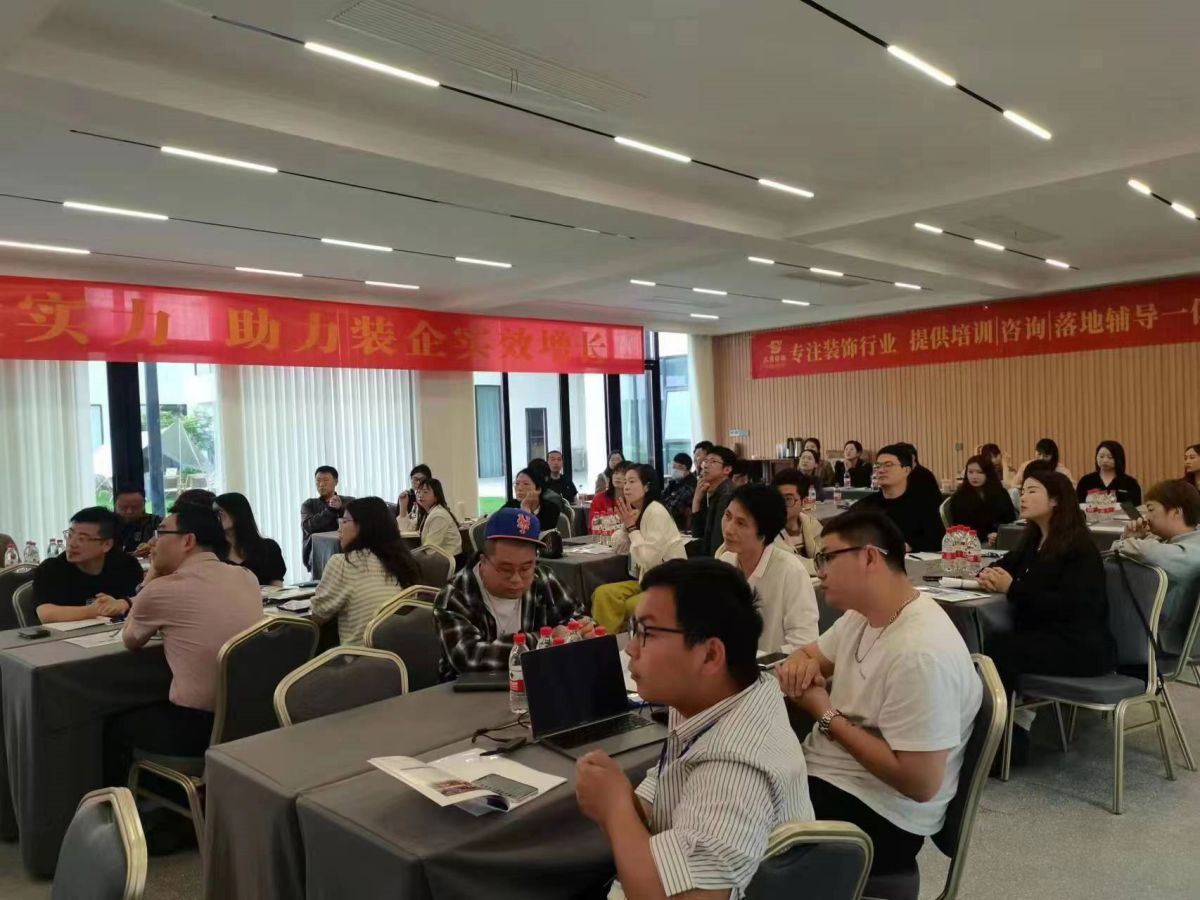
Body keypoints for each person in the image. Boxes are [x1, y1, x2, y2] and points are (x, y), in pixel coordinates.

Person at [576, 558, 813, 900]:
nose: (631, 647)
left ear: (710, 655)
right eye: (634, 629)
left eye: (647, 633)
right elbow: (663, 793)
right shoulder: (722, 697)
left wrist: (615, 809)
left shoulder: (736, 767)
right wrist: (622, 803)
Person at [775, 510, 982, 878]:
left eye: (827, 558)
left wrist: (825, 714)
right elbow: (807, 656)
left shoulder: (920, 652)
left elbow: (920, 783)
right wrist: (798, 667)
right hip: (830, 777)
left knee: (731, 825)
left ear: (869, 557)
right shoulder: (863, 615)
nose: (820, 572)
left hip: (881, 814)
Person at [107, 504, 262, 786]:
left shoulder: (163, 589)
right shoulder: (246, 576)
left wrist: (153, 572)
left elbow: (130, 639)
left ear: (188, 541)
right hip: (252, 719)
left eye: (161, 533)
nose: (153, 542)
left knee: (112, 723)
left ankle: (127, 808)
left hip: (196, 727)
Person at [977, 470, 1115, 764]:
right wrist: (988, 574)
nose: (1023, 497)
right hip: (1046, 636)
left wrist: (1013, 588)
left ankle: (1008, 741)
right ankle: (994, 733)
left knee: (999, 649)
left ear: (1055, 500)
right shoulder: (1033, 540)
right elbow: (1004, 564)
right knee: (990, 643)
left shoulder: (1079, 548)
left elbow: (1075, 607)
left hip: (1080, 645)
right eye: (1023, 491)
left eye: (1032, 491)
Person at [434, 507, 583, 679]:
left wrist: (582, 629)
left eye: (526, 568)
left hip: (537, 684)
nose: (516, 579)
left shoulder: (543, 579)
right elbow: (470, 658)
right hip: (471, 691)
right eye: (505, 569)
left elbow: (576, 616)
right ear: (483, 561)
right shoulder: (455, 596)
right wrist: (545, 639)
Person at [717, 483, 819, 654]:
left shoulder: (790, 571)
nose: (728, 529)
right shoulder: (724, 563)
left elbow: (804, 644)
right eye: (728, 516)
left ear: (763, 534)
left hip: (773, 668)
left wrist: (754, 659)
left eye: (741, 523)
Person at [591, 464, 687, 634]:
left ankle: (615, 643)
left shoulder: (656, 511)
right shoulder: (639, 511)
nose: (626, 487)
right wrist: (625, 526)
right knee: (602, 594)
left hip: (669, 585)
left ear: (647, 486)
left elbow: (648, 560)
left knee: (627, 605)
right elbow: (618, 548)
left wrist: (632, 529)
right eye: (625, 482)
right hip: (646, 581)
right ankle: (606, 642)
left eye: (632, 481)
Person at [310, 497, 420, 645]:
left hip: (360, 656)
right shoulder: (403, 562)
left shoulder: (344, 563)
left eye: (344, 521)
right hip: (400, 655)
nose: (339, 528)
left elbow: (318, 614)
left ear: (362, 527)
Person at [1113, 480, 1200, 655]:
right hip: (1146, 629)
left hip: (1164, 641)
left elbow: (1149, 553)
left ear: (1176, 512)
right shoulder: (1163, 541)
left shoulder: (1193, 549)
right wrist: (1130, 539)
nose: (1145, 517)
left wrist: (1125, 543)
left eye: (1151, 510)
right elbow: (1115, 558)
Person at [32, 507, 144, 624]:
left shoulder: (127, 566)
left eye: (82, 538)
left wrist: (124, 603)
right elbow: (46, 614)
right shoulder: (51, 568)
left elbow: (144, 600)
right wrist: (96, 610)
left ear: (106, 544)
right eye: (70, 535)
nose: (71, 544)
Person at [854, 444, 945, 552]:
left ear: (906, 470)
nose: (881, 470)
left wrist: (909, 546)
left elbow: (938, 539)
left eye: (888, 465)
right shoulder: (864, 506)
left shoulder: (924, 505)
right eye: (878, 466)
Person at [215, 492, 287, 586]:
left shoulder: (269, 548)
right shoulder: (213, 551)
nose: (216, 517)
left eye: (219, 511)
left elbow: (277, 587)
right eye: (214, 513)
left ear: (237, 512)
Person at [948, 455, 1017, 546]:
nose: (974, 476)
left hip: (1003, 538)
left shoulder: (1000, 492)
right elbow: (961, 529)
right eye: (970, 472)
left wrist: (999, 534)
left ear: (988, 473)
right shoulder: (959, 497)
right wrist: (986, 536)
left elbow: (1010, 519)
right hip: (974, 543)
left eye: (980, 472)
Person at [301, 465, 355, 570]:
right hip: (318, 554)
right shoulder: (309, 504)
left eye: (326, 480)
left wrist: (340, 509)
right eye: (318, 481)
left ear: (336, 482)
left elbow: (357, 524)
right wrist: (330, 510)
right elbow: (307, 527)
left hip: (347, 551)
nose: (321, 484)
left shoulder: (349, 501)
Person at [772, 468, 824, 575]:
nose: (780, 505)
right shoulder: (767, 530)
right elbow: (788, 564)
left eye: (788, 499)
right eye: (776, 498)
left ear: (804, 502)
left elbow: (828, 557)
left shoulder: (812, 524)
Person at [691, 445, 737, 556]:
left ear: (727, 469)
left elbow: (717, 541)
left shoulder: (727, 495)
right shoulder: (711, 493)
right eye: (705, 461)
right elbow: (699, 534)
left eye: (713, 462)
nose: (706, 466)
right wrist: (696, 500)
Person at [1076, 441, 1142, 505]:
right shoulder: (1086, 481)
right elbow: (1077, 506)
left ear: (1118, 458)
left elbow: (1137, 509)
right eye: (1101, 456)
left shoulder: (1130, 483)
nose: (1105, 460)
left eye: (1110, 457)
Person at [503, 467, 564, 534]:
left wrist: (525, 508)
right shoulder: (509, 507)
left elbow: (534, 533)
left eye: (526, 484)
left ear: (538, 489)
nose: (519, 488)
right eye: (517, 483)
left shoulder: (551, 509)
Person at [415, 477, 463, 559]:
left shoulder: (438, 516)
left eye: (425, 492)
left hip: (450, 560)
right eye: (419, 492)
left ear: (436, 497)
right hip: (439, 558)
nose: (420, 495)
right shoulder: (427, 512)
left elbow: (430, 549)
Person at [113, 485, 160, 556]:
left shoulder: (155, 522)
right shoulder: (107, 524)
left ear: (144, 505)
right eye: (124, 507)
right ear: (115, 505)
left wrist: (154, 545)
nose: (129, 511)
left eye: (135, 507)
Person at [660, 451, 698, 529]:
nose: (673, 469)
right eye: (673, 466)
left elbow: (673, 509)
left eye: (676, 467)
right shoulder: (674, 482)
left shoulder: (690, 484)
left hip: (679, 526)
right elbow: (661, 497)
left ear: (685, 468)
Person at [589, 463, 627, 533]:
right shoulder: (599, 498)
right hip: (603, 537)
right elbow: (594, 524)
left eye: (623, 473)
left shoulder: (634, 499)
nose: (618, 477)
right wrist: (619, 520)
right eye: (616, 473)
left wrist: (608, 520)